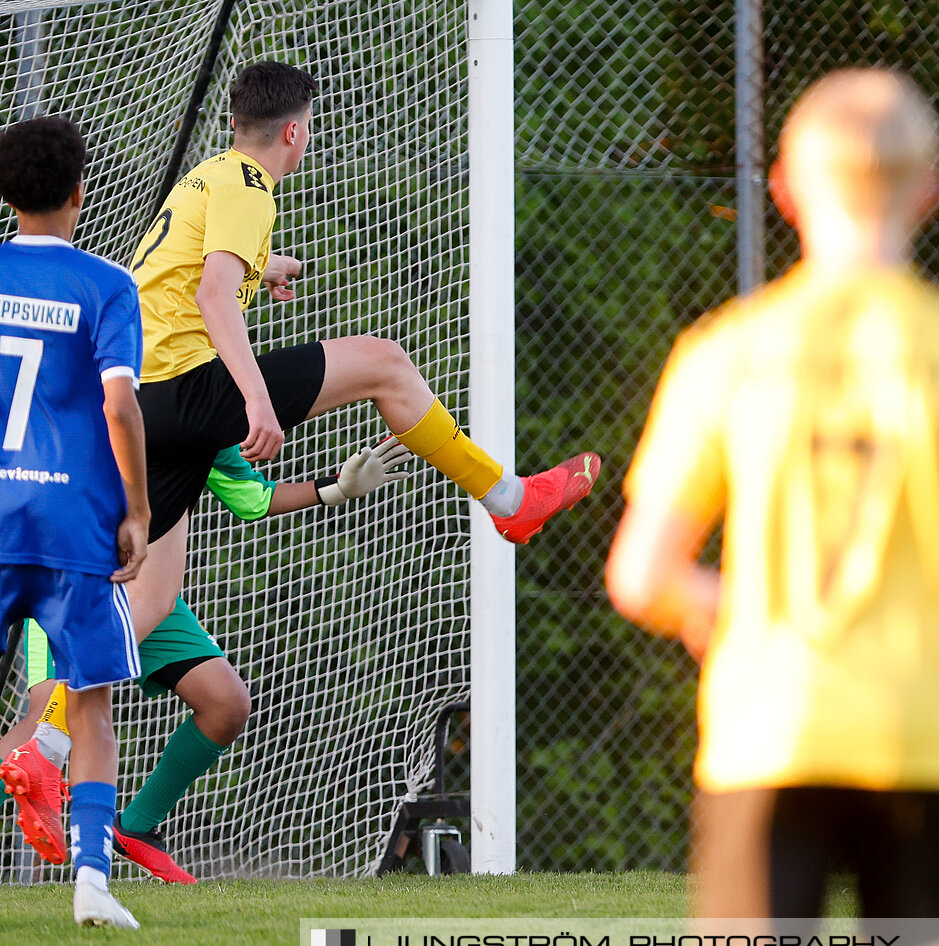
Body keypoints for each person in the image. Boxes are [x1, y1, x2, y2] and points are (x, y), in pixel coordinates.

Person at [116, 59, 600, 880]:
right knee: (385, 363)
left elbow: (172, 276)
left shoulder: (207, 177)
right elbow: (209, 294)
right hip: (189, 391)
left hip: (144, 402)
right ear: (297, 131)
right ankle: (509, 497)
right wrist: (254, 399)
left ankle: (48, 740)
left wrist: (267, 268)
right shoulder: (249, 183)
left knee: (150, 599)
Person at [607, 69, 939, 946]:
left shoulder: (726, 351)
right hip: (922, 730)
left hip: (770, 723)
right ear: (930, 192)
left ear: (784, 189)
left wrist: (723, 613)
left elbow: (641, 574)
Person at [0, 439, 409, 877]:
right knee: (40, 730)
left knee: (225, 703)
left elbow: (251, 497)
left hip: (149, 593)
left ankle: (136, 827)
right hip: (71, 576)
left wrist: (336, 488)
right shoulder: (106, 393)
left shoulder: (205, 411)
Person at [0, 116, 148, 928]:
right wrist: (138, 506)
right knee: (89, 703)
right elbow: (119, 402)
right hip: (72, 521)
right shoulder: (105, 284)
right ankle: (92, 880)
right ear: (79, 193)